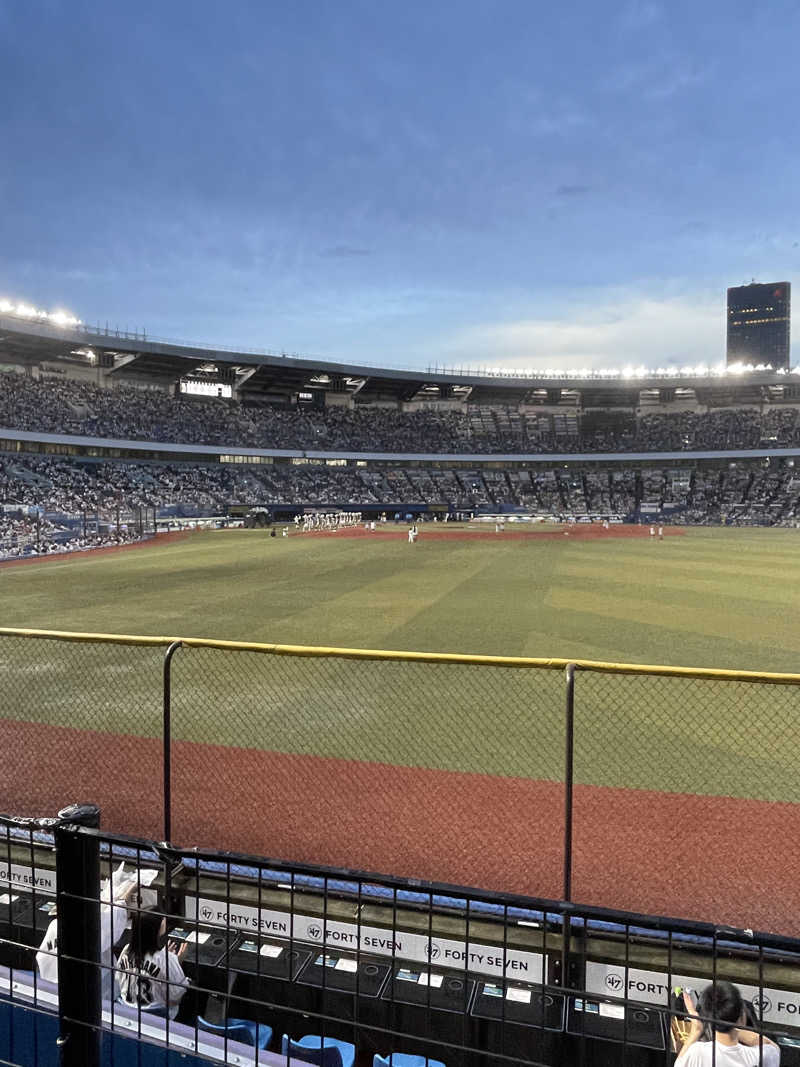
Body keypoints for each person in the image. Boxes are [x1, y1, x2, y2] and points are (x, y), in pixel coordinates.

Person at [36, 878, 136, 1001]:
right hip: (93, 994)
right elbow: (117, 914)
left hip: (54, 990)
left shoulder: (55, 925)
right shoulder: (90, 928)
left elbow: (40, 958)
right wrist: (132, 887)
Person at [676, 981, 779, 1065]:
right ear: (742, 1019)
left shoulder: (697, 1053)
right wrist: (734, 1027)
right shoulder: (759, 1056)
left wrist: (697, 1030)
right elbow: (772, 1047)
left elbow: (679, 1064)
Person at [116, 908, 189, 1020]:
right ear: (157, 929)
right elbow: (175, 999)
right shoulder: (167, 959)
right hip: (156, 1016)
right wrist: (176, 963)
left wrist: (168, 962)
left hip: (127, 1009)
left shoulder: (126, 950)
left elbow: (119, 979)